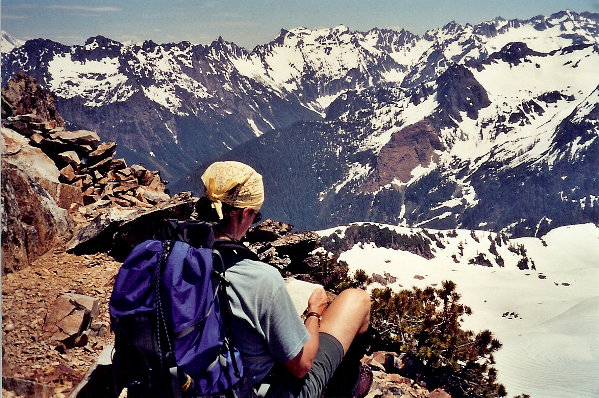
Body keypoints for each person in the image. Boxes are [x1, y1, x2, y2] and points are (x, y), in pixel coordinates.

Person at [198, 161, 372, 398]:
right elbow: (302, 366)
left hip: (183, 382)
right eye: (255, 216)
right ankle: (346, 388)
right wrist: (314, 314)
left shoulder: (166, 257)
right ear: (244, 213)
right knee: (357, 299)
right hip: (259, 390)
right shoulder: (259, 279)